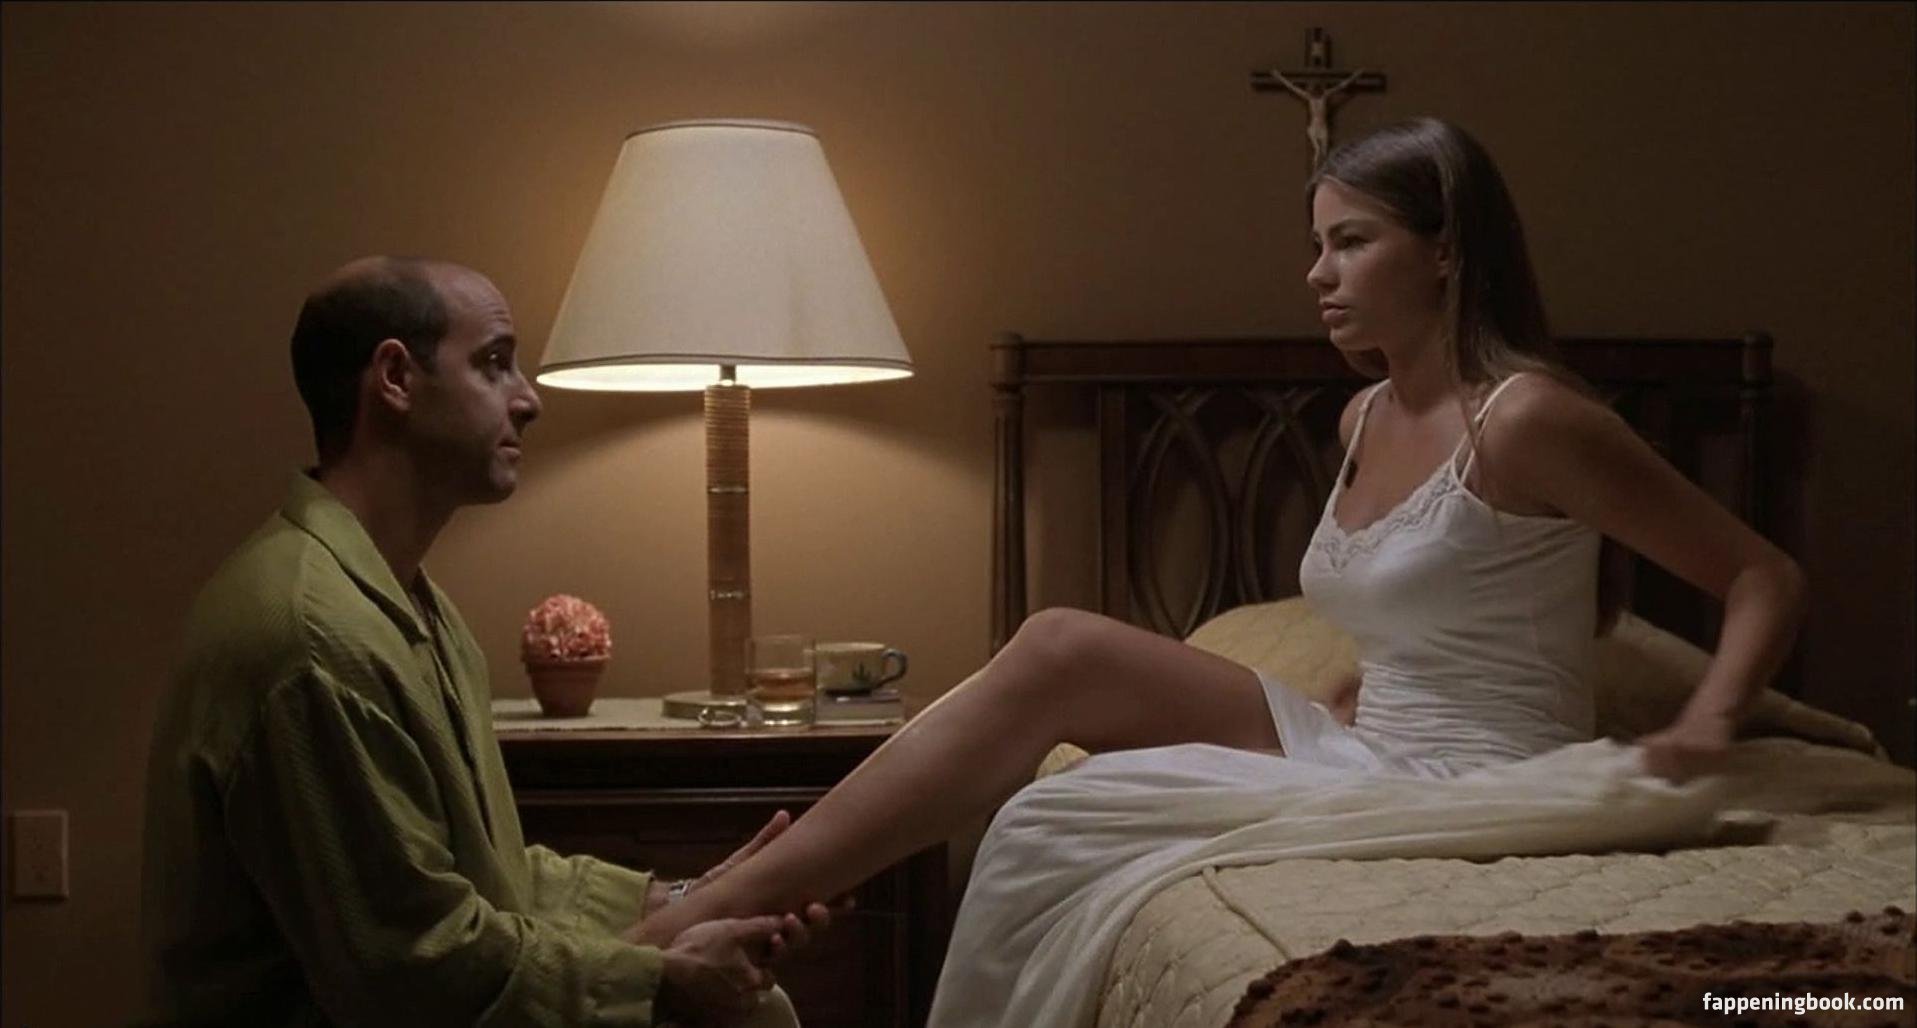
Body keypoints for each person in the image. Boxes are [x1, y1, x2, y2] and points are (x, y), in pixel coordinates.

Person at [632, 117, 1807, 1022]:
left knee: (1059, 763)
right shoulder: (1359, 418)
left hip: (1484, 774)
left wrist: (1708, 719)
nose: (1318, 274)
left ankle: (715, 902)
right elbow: (1444, 603)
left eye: (1352, 242)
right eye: (1317, 244)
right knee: (1055, 699)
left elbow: (1764, 574)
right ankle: (730, 895)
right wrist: (1365, 677)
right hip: (1365, 742)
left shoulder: (1530, 417)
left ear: (1447, 248)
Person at [140, 256, 836, 1027]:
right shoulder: (313, 640)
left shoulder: (409, 605)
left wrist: (676, 897)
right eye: (494, 363)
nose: (529, 399)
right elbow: (414, 968)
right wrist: (659, 983)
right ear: (395, 378)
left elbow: (484, 879)